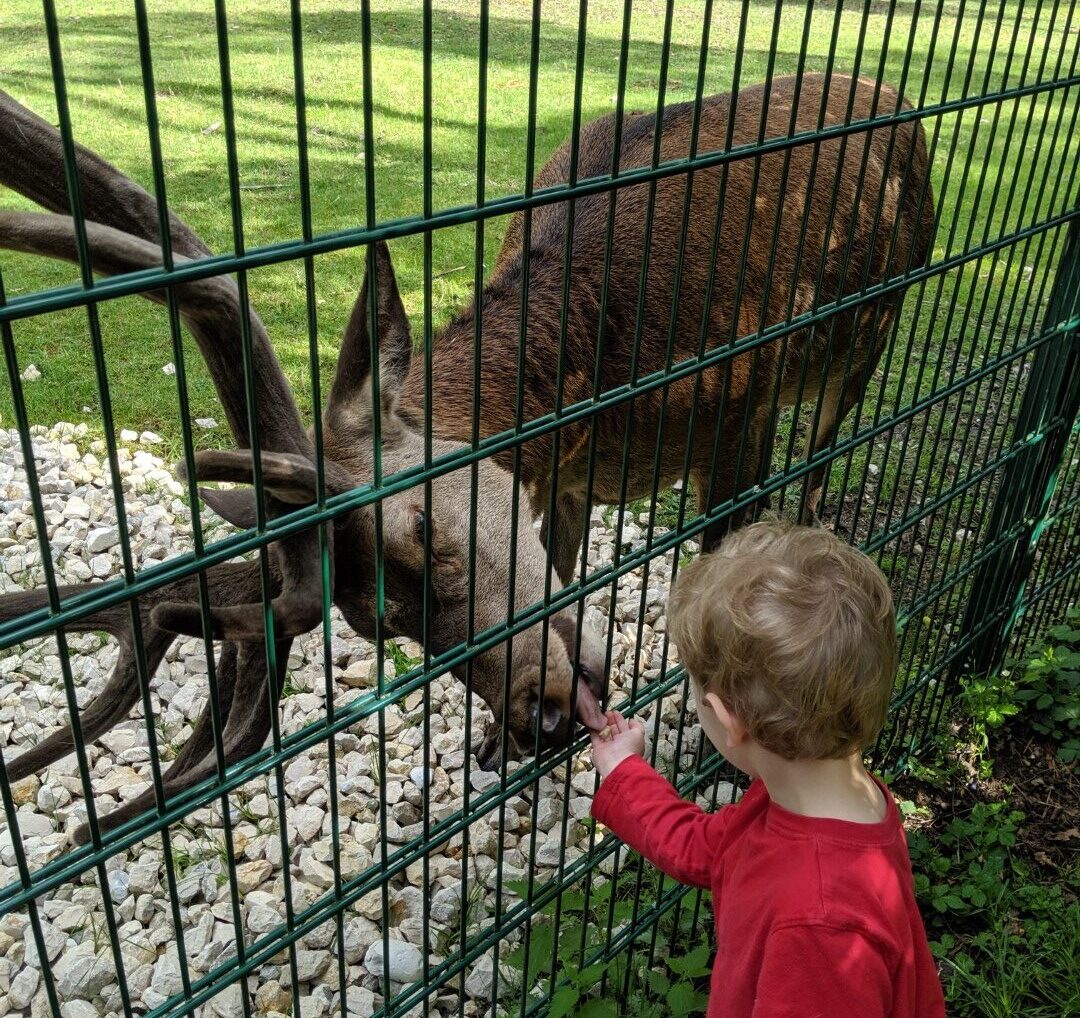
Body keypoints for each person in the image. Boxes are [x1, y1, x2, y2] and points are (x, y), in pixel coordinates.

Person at [589, 521, 945, 1017]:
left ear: (728, 719)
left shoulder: (820, 927)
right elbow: (708, 849)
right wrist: (624, 769)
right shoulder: (835, 799)